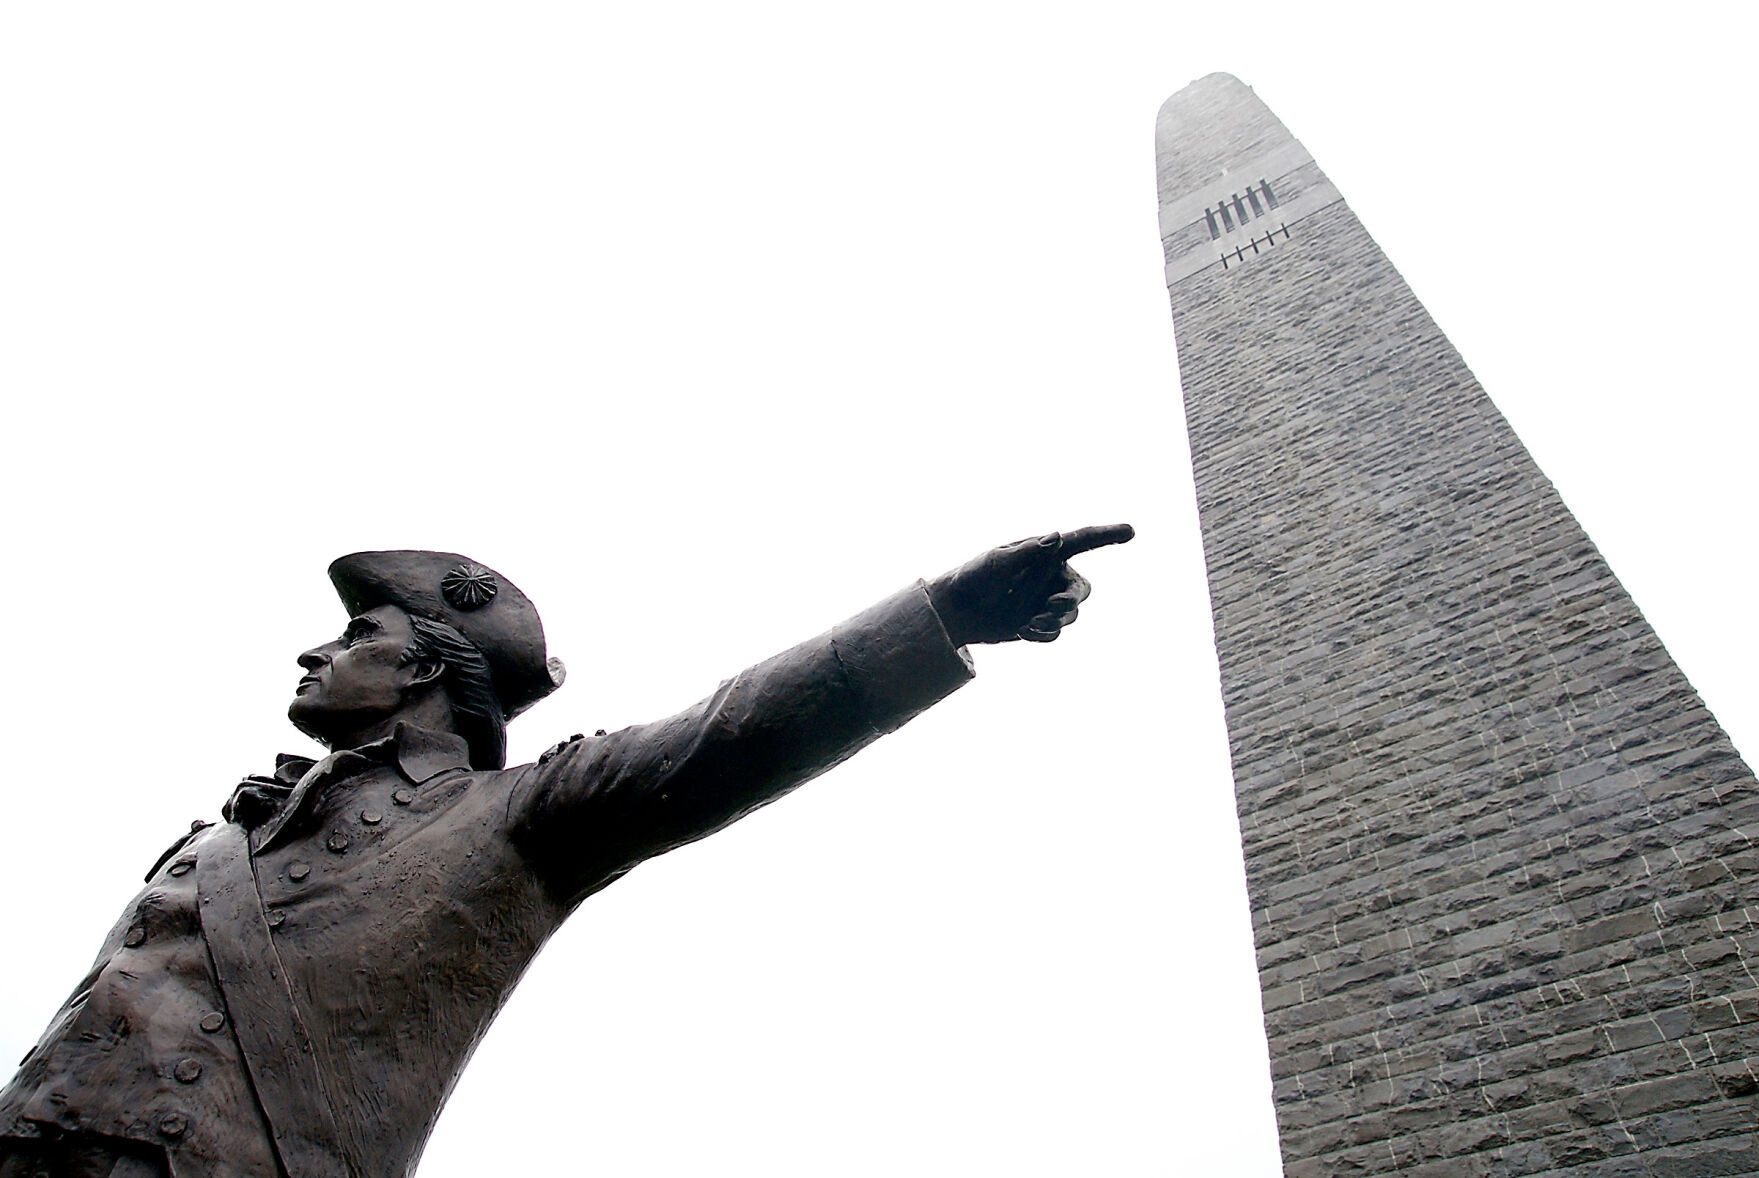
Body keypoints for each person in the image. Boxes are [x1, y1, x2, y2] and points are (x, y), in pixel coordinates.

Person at [0, 526, 1132, 1178]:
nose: (314, 648)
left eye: (357, 635)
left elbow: (731, 732)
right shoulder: (217, 838)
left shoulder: (523, 815)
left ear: (424, 670)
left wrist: (939, 615)